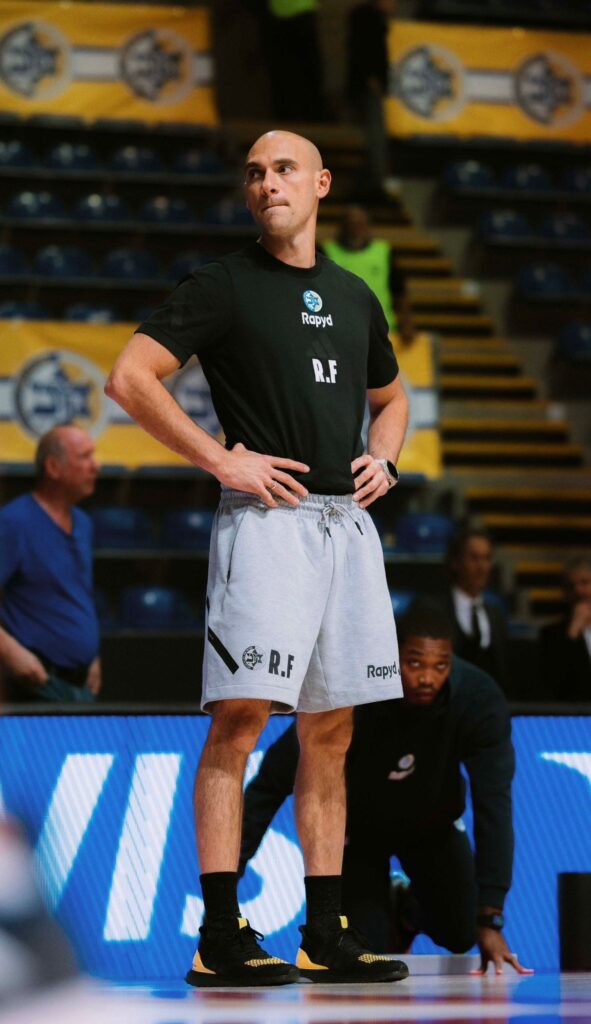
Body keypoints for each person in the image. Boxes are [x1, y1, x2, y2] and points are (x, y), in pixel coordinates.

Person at [105, 130, 409, 987]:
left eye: (282, 170)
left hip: (345, 527)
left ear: (319, 184)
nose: (266, 183)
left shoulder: (353, 295)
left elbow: (391, 396)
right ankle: (218, 933)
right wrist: (218, 459)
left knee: (331, 732)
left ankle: (324, 932)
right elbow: (129, 378)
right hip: (267, 523)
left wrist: (385, 457)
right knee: (239, 722)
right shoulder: (224, 284)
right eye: (253, 173)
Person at [239, 601, 533, 976]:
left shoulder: (478, 700)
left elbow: (495, 804)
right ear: (392, 656)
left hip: (433, 827)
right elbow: (271, 782)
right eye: (414, 663)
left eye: (440, 666)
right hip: (359, 834)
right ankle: (383, 909)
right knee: (366, 952)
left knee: (462, 933)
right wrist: (229, 877)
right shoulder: (355, 693)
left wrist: (491, 918)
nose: (427, 678)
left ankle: (406, 908)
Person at [0, 426, 101, 704]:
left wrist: (93, 655)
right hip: (37, 683)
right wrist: (9, 652)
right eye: (85, 457)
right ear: (54, 468)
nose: (96, 465)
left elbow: (78, 595)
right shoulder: (14, 523)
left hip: (83, 684)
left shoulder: (83, 523)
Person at [322, 206, 414, 342]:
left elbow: (399, 292)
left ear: (368, 226)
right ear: (341, 227)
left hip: (381, 329)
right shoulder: (326, 252)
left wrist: (407, 323)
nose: (355, 229)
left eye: (359, 224)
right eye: (351, 224)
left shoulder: (384, 252)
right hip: (340, 330)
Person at [436, 525, 510, 694]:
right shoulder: (434, 609)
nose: (481, 567)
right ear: (456, 562)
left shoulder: (496, 613)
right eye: (474, 558)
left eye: (486, 558)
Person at [346, 0, 395, 200]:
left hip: (364, 85)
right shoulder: (368, 20)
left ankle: (369, 182)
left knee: (371, 135)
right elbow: (368, 51)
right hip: (368, 87)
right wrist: (373, 78)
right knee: (373, 135)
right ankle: (373, 183)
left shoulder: (367, 18)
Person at [539, 556, 591, 702]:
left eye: (584, 582)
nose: (578, 590)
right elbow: (555, 682)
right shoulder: (551, 634)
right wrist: (573, 631)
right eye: (571, 586)